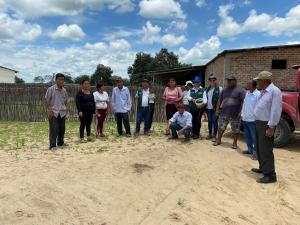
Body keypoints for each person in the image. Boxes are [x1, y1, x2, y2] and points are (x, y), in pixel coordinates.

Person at [252, 71, 282, 184]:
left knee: (266, 150)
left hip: (266, 125)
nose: (257, 82)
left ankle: (270, 175)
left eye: (258, 80)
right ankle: (263, 168)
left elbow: (276, 110)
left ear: (264, 81)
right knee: (259, 148)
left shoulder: (275, 91)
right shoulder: (263, 92)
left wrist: (271, 127)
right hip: (258, 123)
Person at [214, 75, 245, 149]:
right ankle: (218, 140)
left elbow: (244, 101)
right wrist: (217, 110)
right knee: (221, 127)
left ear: (235, 81)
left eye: (230, 80)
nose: (229, 82)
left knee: (236, 129)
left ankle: (234, 143)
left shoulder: (240, 90)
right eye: (228, 80)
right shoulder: (224, 90)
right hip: (224, 112)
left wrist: (241, 112)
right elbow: (219, 100)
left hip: (235, 113)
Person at [44, 73, 68, 151]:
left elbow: (65, 101)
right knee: (54, 129)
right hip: (53, 112)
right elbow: (46, 100)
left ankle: (60, 143)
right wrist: (49, 110)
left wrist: (64, 109)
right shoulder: (50, 89)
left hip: (62, 112)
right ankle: (52, 145)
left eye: (62, 80)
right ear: (56, 80)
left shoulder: (64, 90)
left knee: (62, 128)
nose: (61, 81)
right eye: (59, 79)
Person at [241, 80, 260, 160]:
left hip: (253, 120)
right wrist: (242, 115)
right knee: (247, 136)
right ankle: (250, 150)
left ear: (253, 86)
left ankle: (256, 154)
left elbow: (259, 108)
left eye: (248, 84)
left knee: (255, 138)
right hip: (245, 119)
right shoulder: (247, 93)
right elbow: (244, 105)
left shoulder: (258, 94)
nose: (247, 85)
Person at [205, 74, 222, 142]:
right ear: (209, 81)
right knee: (210, 121)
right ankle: (210, 134)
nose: (212, 81)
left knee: (215, 122)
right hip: (208, 108)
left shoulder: (219, 88)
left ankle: (215, 135)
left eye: (213, 80)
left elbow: (221, 99)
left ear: (215, 80)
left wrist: (219, 109)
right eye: (210, 80)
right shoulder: (207, 89)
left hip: (215, 109)